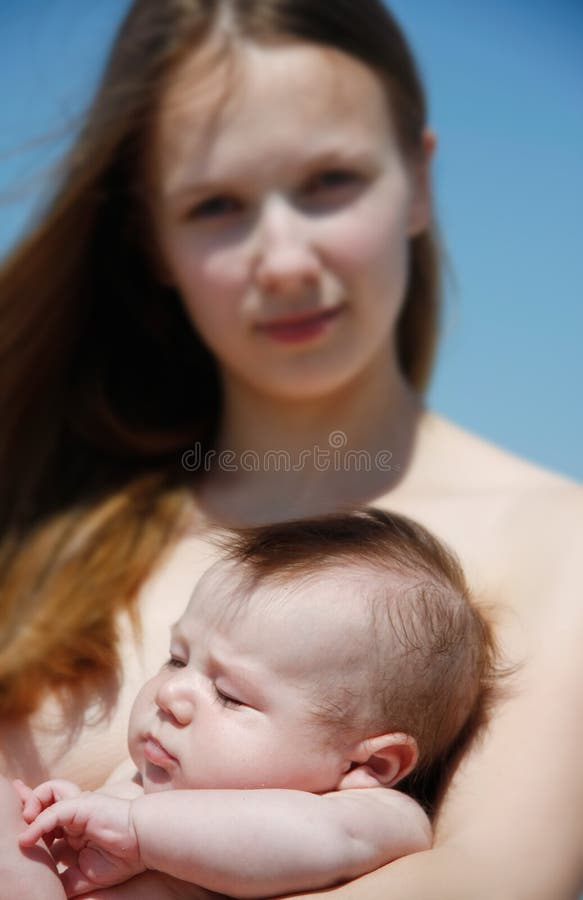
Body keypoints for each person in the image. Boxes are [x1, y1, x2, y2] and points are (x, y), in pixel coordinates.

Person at [0, 1, 581, 898]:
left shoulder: (562, 546)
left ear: (418, 180)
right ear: (152, 237)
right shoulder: (44, 511)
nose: (282, 260)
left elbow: (487, 883)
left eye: (329, 181)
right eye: (216, 204)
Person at [15, 510, 498, 899]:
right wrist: (68, 813)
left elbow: (307, 839)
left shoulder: (370, 815)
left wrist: (138, 832)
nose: (169, 695)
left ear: (369, 762)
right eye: (177, 659)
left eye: (229, 695)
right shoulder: (149, 771)